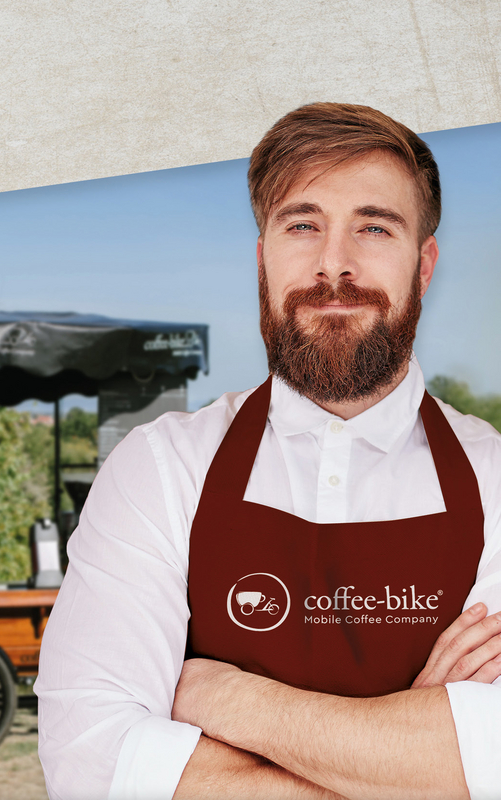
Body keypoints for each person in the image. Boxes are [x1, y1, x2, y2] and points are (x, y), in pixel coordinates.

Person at [34, 103, 501, 800]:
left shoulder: (495, 481)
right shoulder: (159, 471)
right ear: (263, 259)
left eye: (374, 227)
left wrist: (220, 697)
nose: (333, 265)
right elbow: (91, 765)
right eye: (303, 225)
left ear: (424, 265)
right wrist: (416, 757)